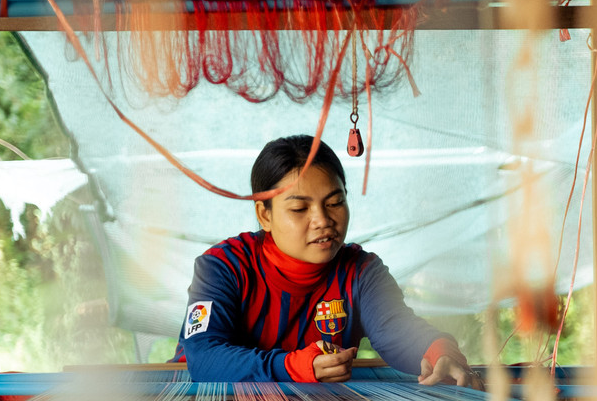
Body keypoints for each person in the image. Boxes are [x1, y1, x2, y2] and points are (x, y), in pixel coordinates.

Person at [176, 134, 477, 386]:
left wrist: (440, 352)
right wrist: (292, 367)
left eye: (334, 203)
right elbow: (204, 358)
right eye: (299, 209)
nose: (323, 220)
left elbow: (397, 332)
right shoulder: (223, 267)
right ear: (264, 215)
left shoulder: (361, 272)